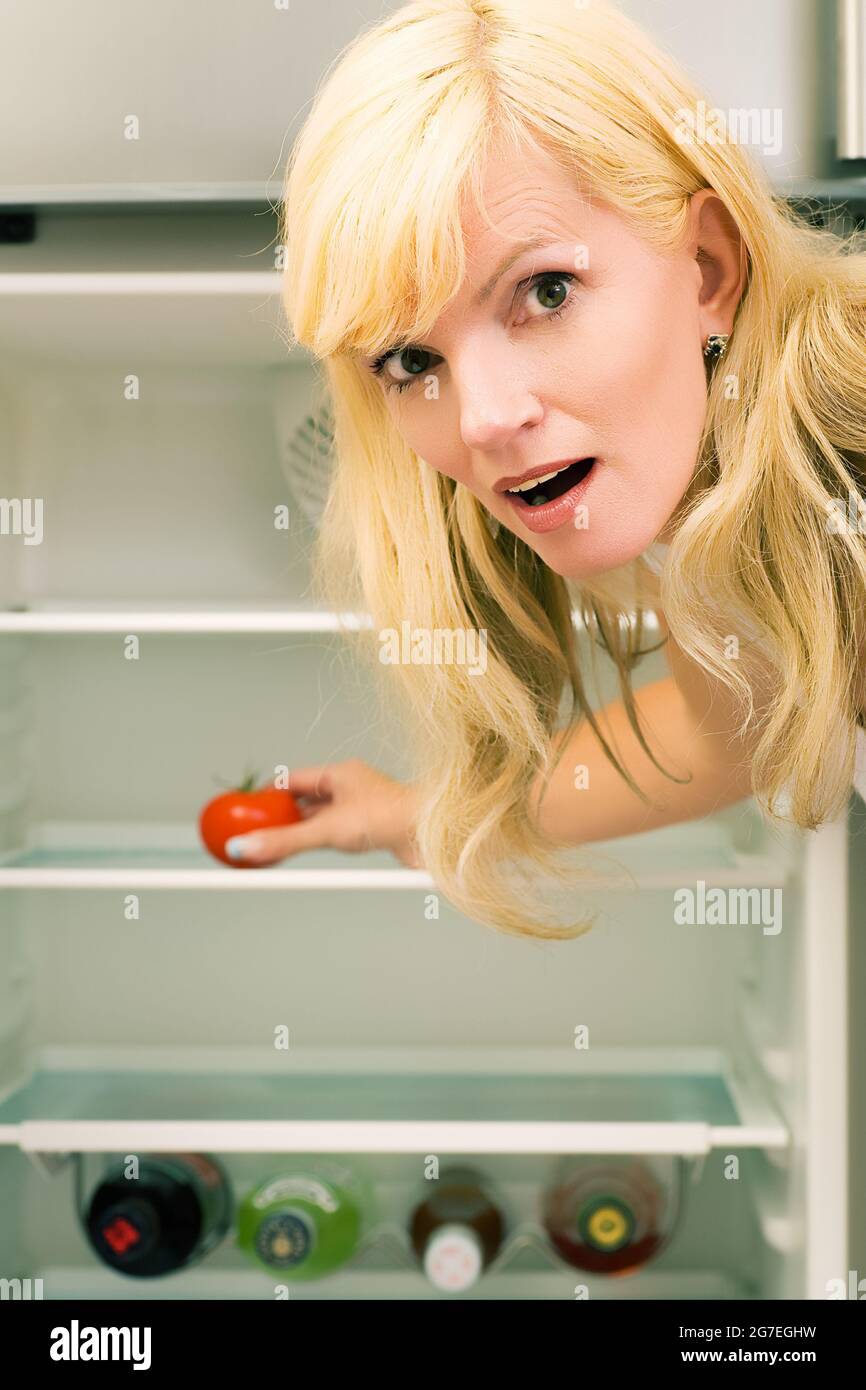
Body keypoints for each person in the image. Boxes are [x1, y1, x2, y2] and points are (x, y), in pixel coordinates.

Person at [225, 0, 866, 939]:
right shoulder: (718, 500)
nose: (485, 419)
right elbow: (723, 734)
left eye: (546, 292)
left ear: (708, 267)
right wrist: (418, 817)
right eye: (411, 362)